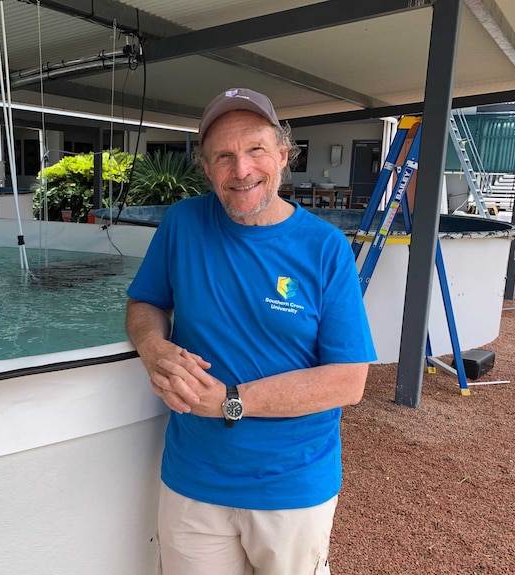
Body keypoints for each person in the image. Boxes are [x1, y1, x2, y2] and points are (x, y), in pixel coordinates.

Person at [125, 88, 377, 575]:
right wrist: (152, 345)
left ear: (283, 155)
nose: (241, 170)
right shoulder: (182, 224)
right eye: (224, 155)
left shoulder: (325, 247)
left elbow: (349, 381)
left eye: (256, 150)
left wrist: (231, 401)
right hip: (193, 477)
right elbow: (146, 301)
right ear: (206, 168)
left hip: (292, 486)